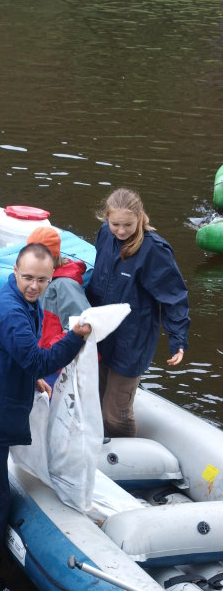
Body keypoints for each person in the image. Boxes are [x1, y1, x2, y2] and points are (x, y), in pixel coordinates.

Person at [0, 243, 91, 591]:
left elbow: (15, 356)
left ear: (51, 277)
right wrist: (74, 340)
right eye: (28, 277)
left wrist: (32, 379)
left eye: (42, 280)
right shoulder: (11, 310)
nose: (34, 286)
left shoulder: (24, 302)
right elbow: (35, 359)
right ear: (15, 271)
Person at [86, 187, 190, 438]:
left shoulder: (154, 250)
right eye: (115, 224)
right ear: (107, 219)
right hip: (101, 335)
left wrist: (178, 339)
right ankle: (95, 444)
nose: (121, 231)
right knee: (93, 399)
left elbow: (174, 297)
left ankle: (126, 455)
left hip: (132, 342)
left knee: (115, 414)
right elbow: (97, 281)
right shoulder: (104, 234)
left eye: (128, 225)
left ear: (139, 217)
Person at [32, 226, 90, 387]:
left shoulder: (65, 285)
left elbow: (81, 322)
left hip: (55, 364)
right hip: (40, 358)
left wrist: (52, 351)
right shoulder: (40, 280)